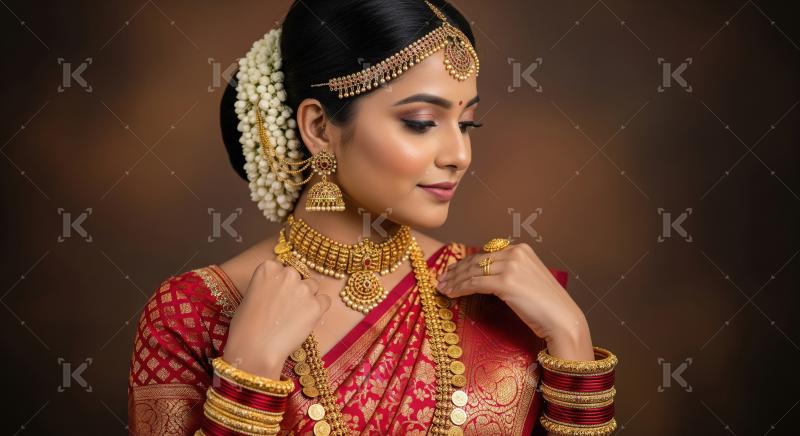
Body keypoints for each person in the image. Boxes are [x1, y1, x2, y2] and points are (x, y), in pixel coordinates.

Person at [126, 1, 618, 435]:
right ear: (319, 127)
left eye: (467, 123)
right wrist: (248, 373)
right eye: (421, 123)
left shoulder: (500, 296)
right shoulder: (197, 312)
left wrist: (572, 339)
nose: (459, 154)